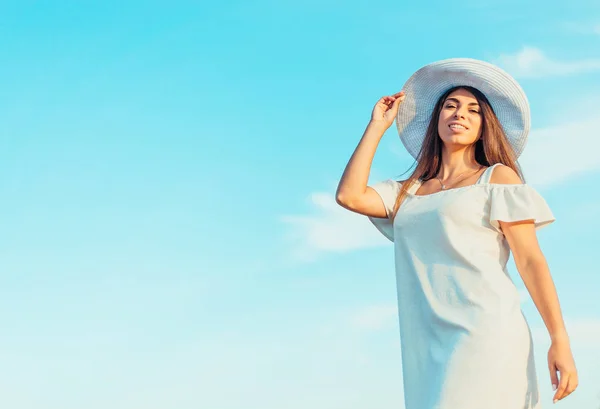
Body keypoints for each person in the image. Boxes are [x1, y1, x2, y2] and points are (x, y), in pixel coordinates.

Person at [336, 58, 578, 409]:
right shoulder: (407, 192)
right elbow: (349, 196)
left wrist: (559, 339)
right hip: (425, 345)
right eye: (450, 106)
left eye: (473, 110)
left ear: (484, 126)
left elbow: (530, 260)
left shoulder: (496, 180)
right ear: (436, 121)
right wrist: (377, 127)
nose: (459, 114)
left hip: (486, 332)